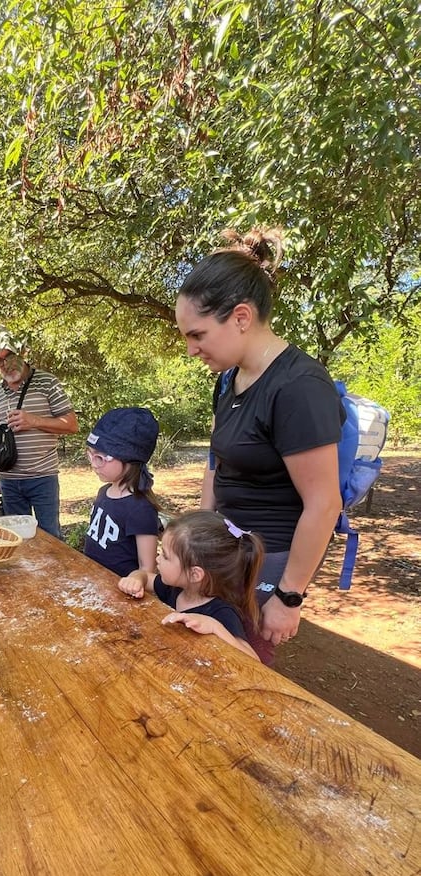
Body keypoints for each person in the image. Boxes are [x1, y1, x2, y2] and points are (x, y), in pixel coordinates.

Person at [175, 227, 344, 649]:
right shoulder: (229, 379)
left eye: (198, 335)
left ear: (241, 318)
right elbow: (218, 463)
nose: (192, 350)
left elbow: (324, 504)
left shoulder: (299, 386)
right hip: (229, 551)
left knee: (244, 659)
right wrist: (203, 534)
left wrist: (289, 596)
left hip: (272, 560)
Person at [118, 511, 264, 661]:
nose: (158, 558)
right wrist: (136, 578)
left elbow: (253, 660)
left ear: (195, 574)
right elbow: (145, 577)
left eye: (166, 556)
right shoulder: (176, 588)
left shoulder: (222, 613)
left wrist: (215, 627)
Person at [0, 325, 78, 538]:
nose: (5, 365)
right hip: (8, 482)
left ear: (22, 353)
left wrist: (33, 420)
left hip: (43, 478)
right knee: (17, 541)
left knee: (51, 538)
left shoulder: (47, 382)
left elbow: (72, 424)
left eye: (8, 357)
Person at [83, 407, 162, 576]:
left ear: (129, 459)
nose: (93, 464)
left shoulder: (141, 508)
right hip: (92, 580)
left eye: (100, 458)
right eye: (90, 455)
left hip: (120, 593)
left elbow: (147, 569)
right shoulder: (104, 492)